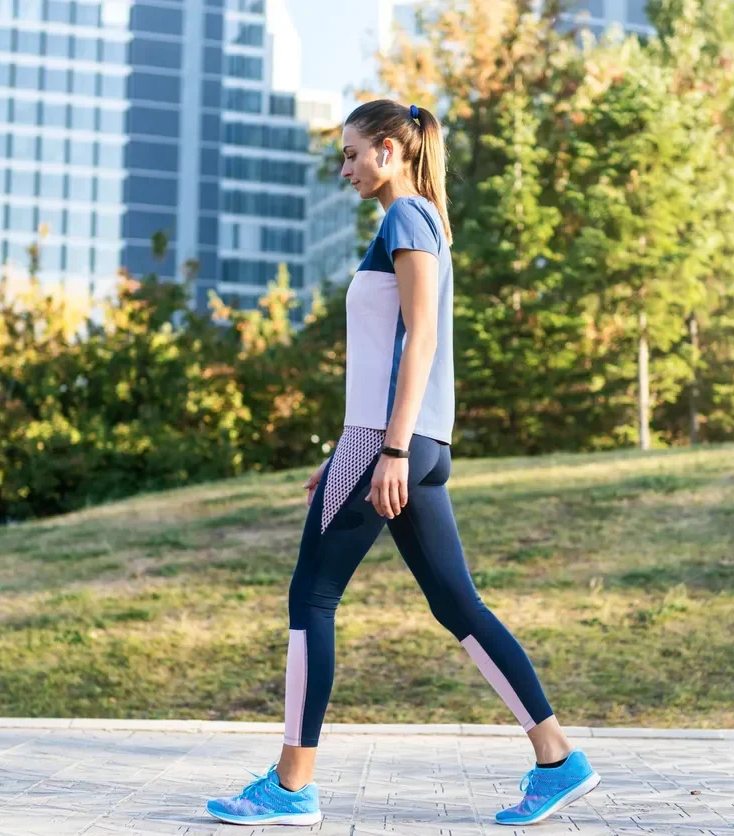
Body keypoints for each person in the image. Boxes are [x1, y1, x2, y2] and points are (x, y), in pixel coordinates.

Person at [205, 99, 599, 827]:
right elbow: (383, 354)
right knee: (457, 604)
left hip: (394, 444)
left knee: (311, 599)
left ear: (389, 150)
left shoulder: (406, 218)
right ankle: (558, 759)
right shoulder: (414, 222)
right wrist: (346, 454)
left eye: (353, 154)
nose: (345, 169)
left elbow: (417, 341)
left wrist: (383, 449)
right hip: (403, 442)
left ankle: (292, 789)